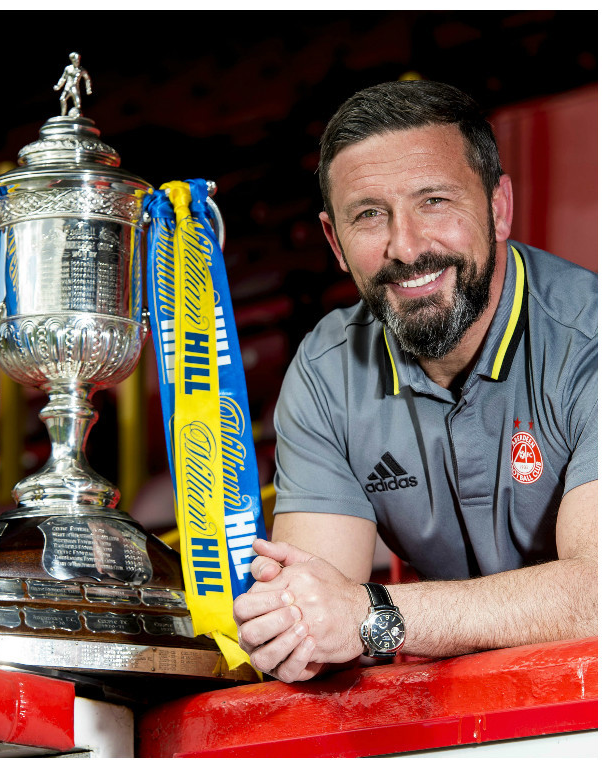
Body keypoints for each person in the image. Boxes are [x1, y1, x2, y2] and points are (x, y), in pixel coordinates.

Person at [232, 80, 597, 683]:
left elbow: (599, 591)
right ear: (335, 243)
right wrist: (289, 632)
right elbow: (314, 620)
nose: (406, 246)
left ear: (498, 207)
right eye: (370, 215)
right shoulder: (329, 374)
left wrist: (376, 615)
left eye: (434, 201)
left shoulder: (592, 340)